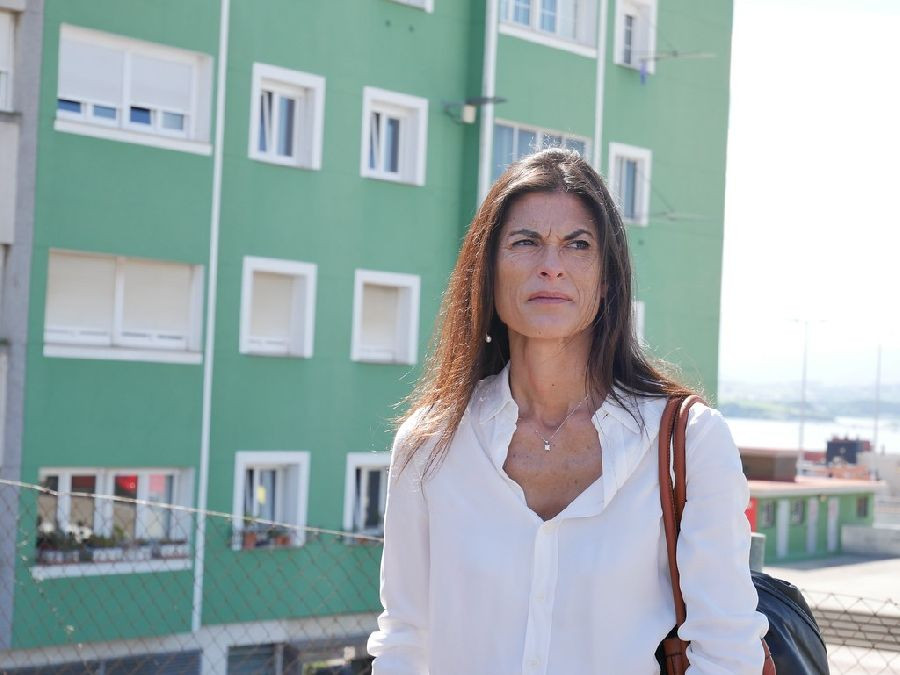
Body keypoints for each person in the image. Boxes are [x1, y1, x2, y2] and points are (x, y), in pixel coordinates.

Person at [367, 149, 768, 674]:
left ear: (607, 279)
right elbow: (404, 641)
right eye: (525, 242)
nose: (550, 265)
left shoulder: (690, 443)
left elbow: (728, 653)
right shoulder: (429, 442)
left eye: (578, 245)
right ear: (487, 272)